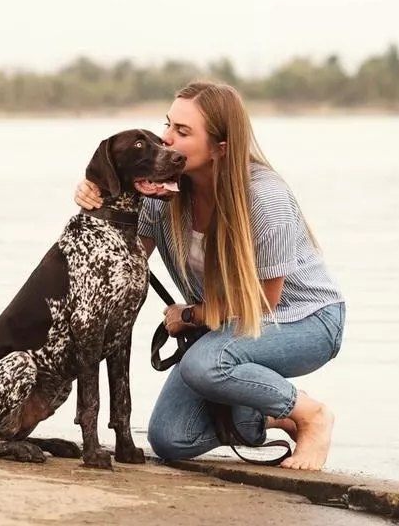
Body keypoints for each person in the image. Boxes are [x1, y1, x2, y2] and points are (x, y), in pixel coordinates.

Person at [74, 81, 345, 470]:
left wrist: (190, 316)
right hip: (227, 324)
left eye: (182, 133)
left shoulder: (265, 199)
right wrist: (97, 194)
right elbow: (124, 261)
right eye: (168, 125)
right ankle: (265, 416)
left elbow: (264, 302)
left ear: (221, 147)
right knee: (170, 438)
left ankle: (311, 416)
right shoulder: (162, 194)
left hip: (305, 320)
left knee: (205, 365)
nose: (166, 139)